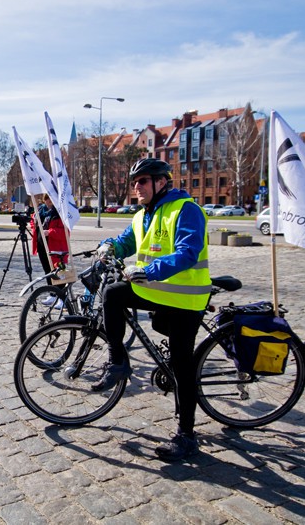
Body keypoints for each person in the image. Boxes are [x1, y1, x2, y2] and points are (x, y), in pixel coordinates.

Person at [95, 158, 210, 462]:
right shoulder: (142, 215)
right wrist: (109, 247)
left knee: (182, 366)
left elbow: (188, 253)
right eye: (134, 183)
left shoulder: (186, 210)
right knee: (112, 294)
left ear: (161, 182)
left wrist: (152, 270)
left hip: (186, 298)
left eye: (142, 181)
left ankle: (187, 436)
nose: (136, 188)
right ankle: (118, 362)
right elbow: (127, 242)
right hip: (160, 293)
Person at [31, 194, 69, 285]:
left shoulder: (60, 213)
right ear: (44, 200)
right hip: (42, 245)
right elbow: (34, 224)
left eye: (52, 198)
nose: (50, 200)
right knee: (47, 271)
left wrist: (50, 232)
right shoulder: (39, 211)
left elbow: (65, 232)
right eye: (47, 198)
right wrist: (34, 225)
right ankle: (52, 293)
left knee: (58, 271)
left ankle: (61, 294)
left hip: (55, 247)